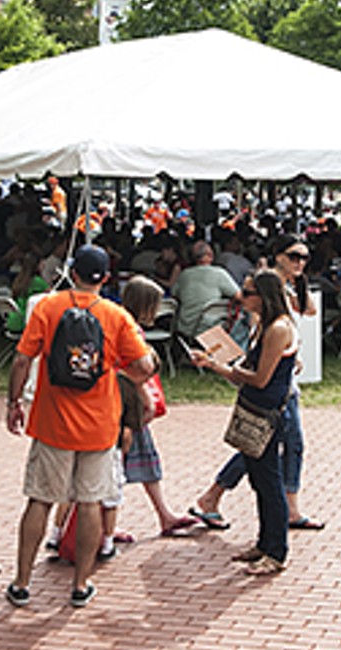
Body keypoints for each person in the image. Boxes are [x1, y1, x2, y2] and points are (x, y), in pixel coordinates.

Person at [5, 246, 157, 607]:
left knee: (40, 500)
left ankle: (22, 583)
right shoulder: (116, 315)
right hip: (99, 426)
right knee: (90, 503)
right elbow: (144, 367)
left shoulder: (47, 307)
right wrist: (123, 369)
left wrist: (13, 403)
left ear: (72, 272)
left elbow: (22, 359)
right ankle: (80, 585)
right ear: (104, 278)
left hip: (51, 422)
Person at [190, 237, 324, 531]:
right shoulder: (266, 286)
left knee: (269, 443)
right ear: (279, 256)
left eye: (304, 257)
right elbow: (258, 327)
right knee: (265, 443)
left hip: (278, 374)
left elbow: (309, 308)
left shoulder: (284, 287)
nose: (300, 263)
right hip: (275, 383)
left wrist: (297, 283)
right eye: (294, 256)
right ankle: (222, 499)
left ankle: (220, 498)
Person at [193, 268, 295, 575]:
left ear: (264, 297)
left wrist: (217, 367)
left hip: (267, 411)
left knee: (269, 482)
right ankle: (265, 544)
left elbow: (261, 379)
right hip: (255, 407)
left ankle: (275, 551)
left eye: (249, 293)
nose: (242, 296)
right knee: (260, 480)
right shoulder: (264, 324)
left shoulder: (278, 328)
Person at [116, 275, 200, 538]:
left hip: (126, 406)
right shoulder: (130, 329)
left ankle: (163, 514)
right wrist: (146, 398)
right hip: (129, 407)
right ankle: (109, 526)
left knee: (139, 462)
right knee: (117, 465)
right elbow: (135, 369)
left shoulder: (121, 322)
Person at [171, 240, 239, 339]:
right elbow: (239, 296)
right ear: (210, 255)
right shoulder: (220, 273)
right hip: (211, 329)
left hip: (185, 330)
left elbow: (174, 294)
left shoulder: (184, 274)